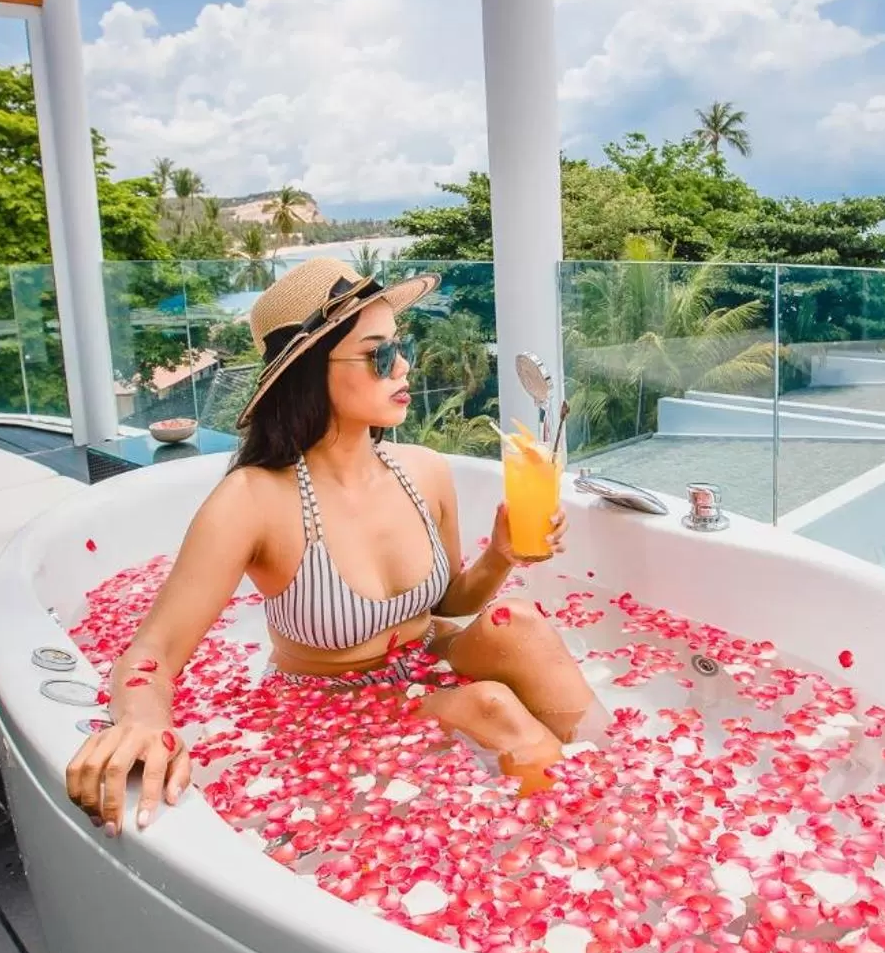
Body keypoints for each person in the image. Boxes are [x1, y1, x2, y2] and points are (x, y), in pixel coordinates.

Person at [65, 259, 592, 837]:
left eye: (400, 346)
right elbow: (153, 653)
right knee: (490, 705)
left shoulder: (425, 470)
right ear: (311, 371)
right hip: (326, 703)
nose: (404, 366)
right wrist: (141, 724)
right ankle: (573, 847)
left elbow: (446, 604)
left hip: (426, 658)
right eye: (379, 354)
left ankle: (608, 780)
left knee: (521, 626)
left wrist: (501, 555)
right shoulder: (253, 500)